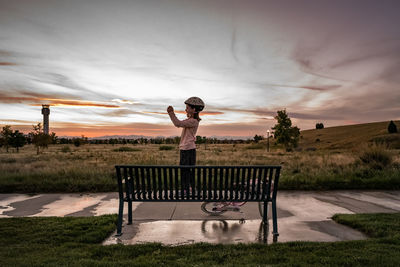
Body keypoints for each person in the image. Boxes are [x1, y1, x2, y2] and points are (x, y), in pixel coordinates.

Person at [167, 97, 205, 195]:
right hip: (187, 148)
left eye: (187, 107)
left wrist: (171, 113)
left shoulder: (193, 121)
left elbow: (177, 123)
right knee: (187, 170)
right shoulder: (191, 120)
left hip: (187, 148)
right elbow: (180, 123)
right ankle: (190, 189)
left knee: (185, 171)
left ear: (194, 109)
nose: (186, 109)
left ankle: (187, 190)